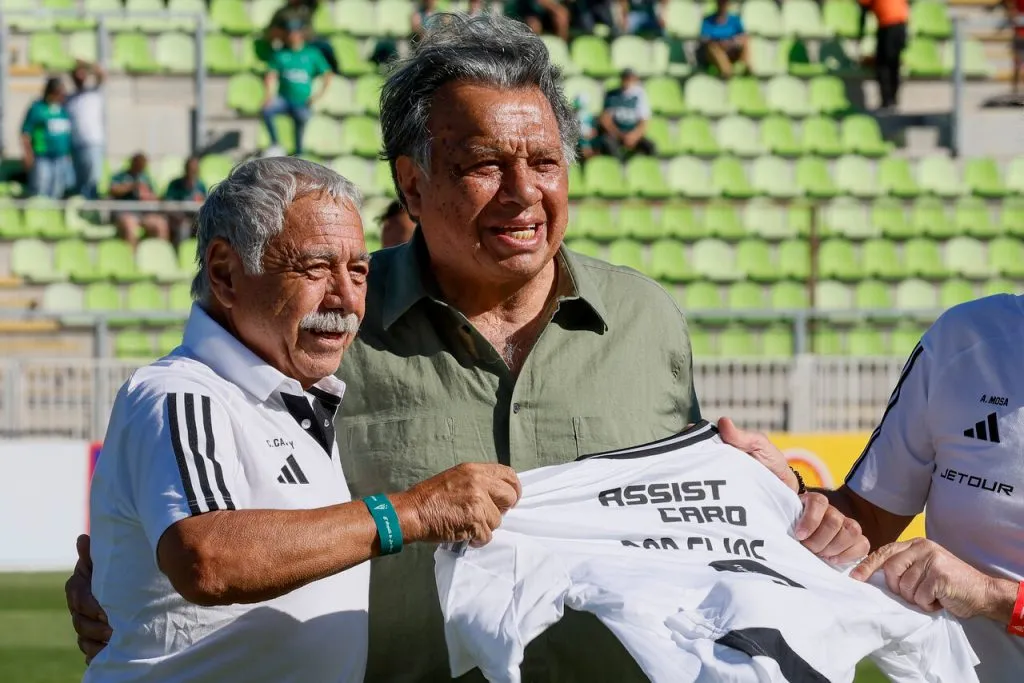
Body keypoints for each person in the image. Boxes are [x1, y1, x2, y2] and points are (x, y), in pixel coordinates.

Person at [66, 14, 868, 683]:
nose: (525, 193)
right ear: (412, 186)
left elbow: (686, 517)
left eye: (546, 162)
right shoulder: (322, 323)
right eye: (484, 164)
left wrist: (782, 502)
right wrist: (116, 578)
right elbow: (184, 484)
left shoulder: (646, 318)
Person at [83, 156, 521, 683]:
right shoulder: (179, 392)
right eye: (315, 269)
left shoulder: (306, 396)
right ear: (225, 273)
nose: (345, 298)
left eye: (358, 271)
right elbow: (208, 558)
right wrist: (408, 513)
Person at [716, 293, 1024, 683]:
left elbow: (985, 593)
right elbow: (867, 521)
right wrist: (789, 496)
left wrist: (991, 595)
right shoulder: (963, 338)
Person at [261, 19, 331, 156]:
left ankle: (299, 153)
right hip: (284, 98)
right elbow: (271, 75)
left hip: (302, 101)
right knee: (267, 110)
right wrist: (268, 96)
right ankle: (275, 143)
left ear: (300, 34)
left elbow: (327, 75)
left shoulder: (312, 54)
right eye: (289, 33)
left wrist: (317, 96)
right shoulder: (280, 54)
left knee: (301, 120)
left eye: (293, 33)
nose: (291, 36)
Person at [20, 77, 74, 199]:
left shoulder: (63, 110)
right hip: (42, 156)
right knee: (41, 188)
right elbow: (25, 133)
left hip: (61, 157)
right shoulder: (37, 108)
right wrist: (28, 154)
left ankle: (52, 216)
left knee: (57, 190)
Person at [109, 153, 170, 246]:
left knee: (160, 225)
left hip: (143, 213)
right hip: (125, 212)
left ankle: (159, 256)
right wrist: (131, 186)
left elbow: (155, 196)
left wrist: (148, 196)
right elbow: (112, 190)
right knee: (130, 227)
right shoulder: (120, 176)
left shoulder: (146, 178)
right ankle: (131, 258)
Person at [66, 61, 105, 199]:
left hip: (92, 143)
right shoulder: (70, 98)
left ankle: (91, 210)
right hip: (75, 144)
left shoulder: (94, 93)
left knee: (92, 180)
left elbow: (101, 74)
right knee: (79, 182)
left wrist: (86, 64)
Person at [859, 0, 908, 111]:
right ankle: (892, 99)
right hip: (901, 24)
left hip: (888, 25)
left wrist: (860, 31)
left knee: (883, 65)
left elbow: (864, 7)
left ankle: (887, 100)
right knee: (893, 64)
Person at [265, 0, 339, 73]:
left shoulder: (307, 8)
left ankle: (334, 73)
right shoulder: (282, 13)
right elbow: (271, 32)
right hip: (290, 44)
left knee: (325, 47)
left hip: (308, 42)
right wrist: (286, 35)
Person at [598, 68, 656, 158]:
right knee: (607, 143)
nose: (628, 81)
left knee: (650, 147)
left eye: (630, 79)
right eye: (626, 78)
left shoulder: (640, 96)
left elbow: (644, 121)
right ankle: (615, 167)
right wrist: (619, 134)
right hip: (616, 134)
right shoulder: (612, 95)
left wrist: (633, 136)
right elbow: (605, 119)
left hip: (633, 134)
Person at [697, 0, 750, 79]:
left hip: (731, 50)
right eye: (721, 2)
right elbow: (704, 39)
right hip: (714, 53)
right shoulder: (707, 21)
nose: (723, 5)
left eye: (725, 2)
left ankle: (746, 67)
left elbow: (742, 35)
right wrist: (719, 43)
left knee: (746, 40)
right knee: (712, 46)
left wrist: (731, 43)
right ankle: (727, 71)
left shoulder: (734, 20)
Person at [163, 156, 207, 244]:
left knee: (205, 226)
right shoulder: (175, 184)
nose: (193, 172)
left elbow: (205, 204)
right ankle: (181, 253)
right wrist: (179, 216)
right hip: (178, 218)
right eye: (190, 169)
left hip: (195, 218)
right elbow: (168, 204)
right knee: (184, 228)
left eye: (195, 170)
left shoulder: (200, 185)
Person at [573, 94, 599, 159]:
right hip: (579, 140)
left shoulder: (589, 116)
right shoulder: (573, 116)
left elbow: (594, 131)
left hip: (588, 139)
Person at [1008, 0, 1024, 98]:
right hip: (1019, 33)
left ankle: (1015, 88)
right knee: (1017, 62)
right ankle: (1015, 88)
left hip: (1019, 33)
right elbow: (1010, 6)